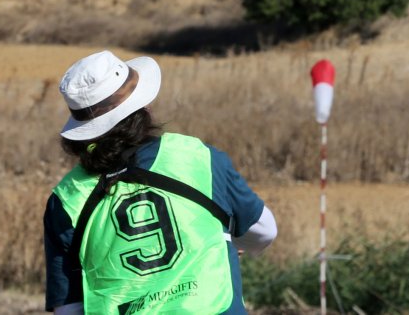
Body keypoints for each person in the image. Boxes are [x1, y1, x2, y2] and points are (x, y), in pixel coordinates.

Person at [43, 51, 276, 315]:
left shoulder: (66, 198)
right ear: (144, 107)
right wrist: (234, 242)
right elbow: (264, 230)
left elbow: (69, 309)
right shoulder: (196, 156)